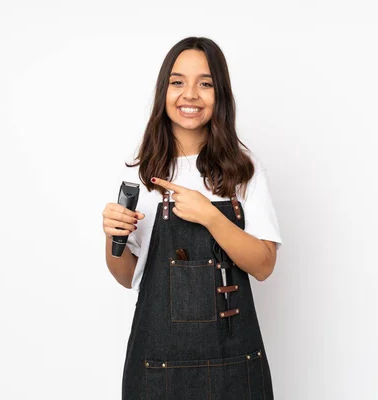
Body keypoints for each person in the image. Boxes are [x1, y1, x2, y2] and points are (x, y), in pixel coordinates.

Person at [102, 36, 283, 399]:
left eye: (205, 83)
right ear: (163, 92)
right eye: (178, 82)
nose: (190, 95)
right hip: (157, 365)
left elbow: (264, 265)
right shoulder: (143, 171)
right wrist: (112, 238)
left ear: (220, 96)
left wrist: (210, 217)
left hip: (233, 362)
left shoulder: (243, 170)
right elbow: (127, 277)